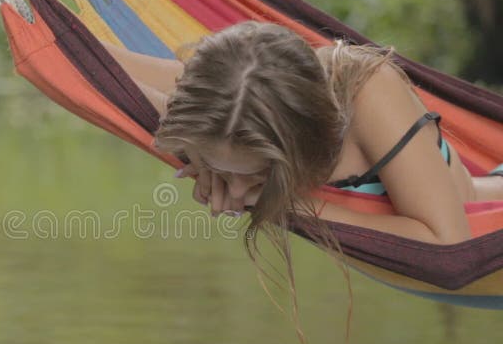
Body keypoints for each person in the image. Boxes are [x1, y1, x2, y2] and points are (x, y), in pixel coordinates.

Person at [102, 22, 503, 248]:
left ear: (303, 139)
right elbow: (95, 65)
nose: (237, 194)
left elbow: (449, 242)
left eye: (257, 174)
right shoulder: (222, 97)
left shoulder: (370, 95)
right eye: (220, 168)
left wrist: (287, 205)